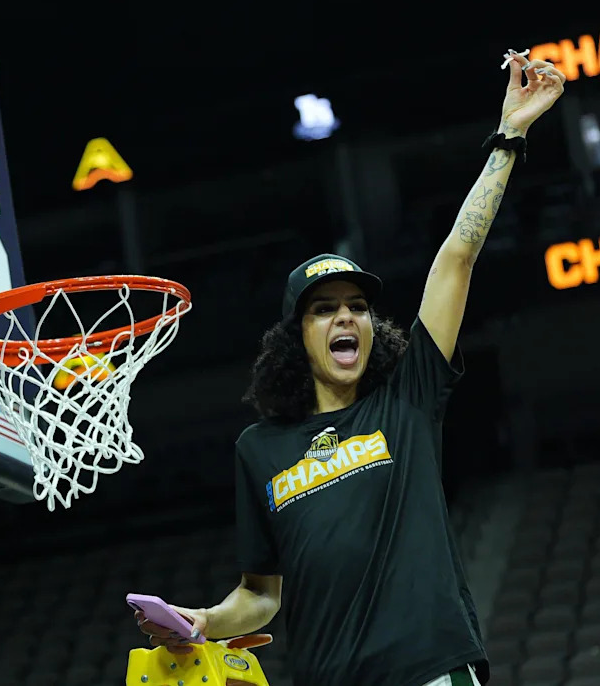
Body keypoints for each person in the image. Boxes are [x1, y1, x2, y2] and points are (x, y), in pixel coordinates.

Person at [133, 49, 565, 686]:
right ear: (295, 338)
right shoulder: (260, 449)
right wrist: (202, 620)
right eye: (323, 310)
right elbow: (261, 595)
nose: (345, 319)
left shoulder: (407, 397)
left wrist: (510, 137)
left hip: (431, 672)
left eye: (357, 307)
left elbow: (456, 257)